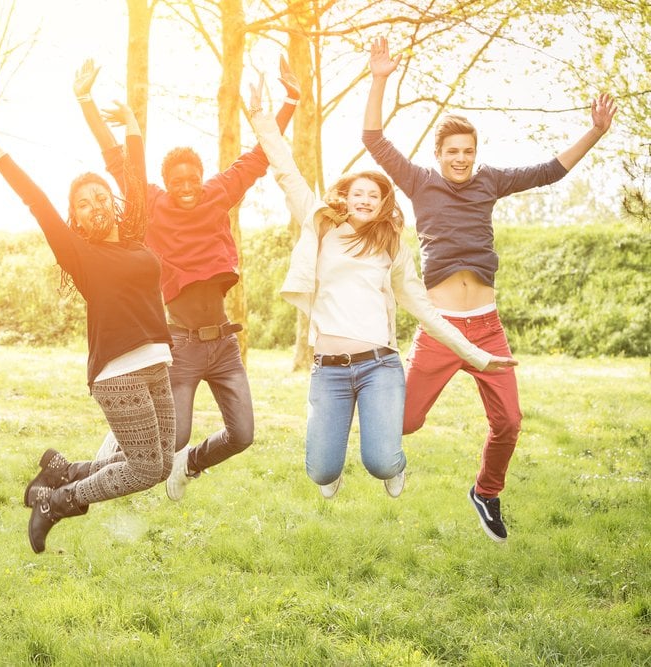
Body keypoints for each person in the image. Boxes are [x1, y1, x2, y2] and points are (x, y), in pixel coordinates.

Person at [363, 37, 616, 541]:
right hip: (439, 328)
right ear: (437, 155)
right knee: (404, 424)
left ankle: (486, 491)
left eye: (468, 153)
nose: (461, 159)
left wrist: (594, 132)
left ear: (477, 155)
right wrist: (379, 78)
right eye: (452, 152)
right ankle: (365, 393)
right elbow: (373, 138)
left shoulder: (490, 182)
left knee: (510, 422)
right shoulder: (417, 181)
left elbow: (549, 172)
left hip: (486, 327)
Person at [246, 74, 517, 502]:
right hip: (329, 368)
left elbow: (429, 313)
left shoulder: (391, 248)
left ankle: (394, 468)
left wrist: (477, 355)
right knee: (320, 470)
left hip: (379, 367)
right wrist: (261, 116)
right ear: (346, 196)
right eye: (360, 192)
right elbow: (285, 170)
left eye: (375, 195)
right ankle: (329, 465)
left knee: (382, 462)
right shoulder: (318, 223)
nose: (367, 200)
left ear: (383, 203)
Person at [0, 91, 176, 554]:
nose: (95, 204)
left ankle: (62, 471)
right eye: (83, 203)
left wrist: (133, 125)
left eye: (101, 196)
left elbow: (134, 180)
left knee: (160, 461)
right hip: (118, 374)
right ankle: (56, 501)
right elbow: (36, 201)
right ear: (74, 218)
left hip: (157, 360)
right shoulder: (81, 255)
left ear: (112, 204)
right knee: (143, 470)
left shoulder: (133, 238)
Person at [75, 58, 299, 501]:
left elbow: (259, 155)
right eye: (176, 179)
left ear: (201, 176)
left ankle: (190, 465)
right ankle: (109, 456)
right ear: (164, 182)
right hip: (181, 344)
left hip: (225, 345)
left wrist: (290, 101)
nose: (186, 184)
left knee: (242, 435)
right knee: (170, 438)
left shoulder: (219, 193)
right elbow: (117, 160)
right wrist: (87, 102)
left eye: (192, 176)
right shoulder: (152, 204)